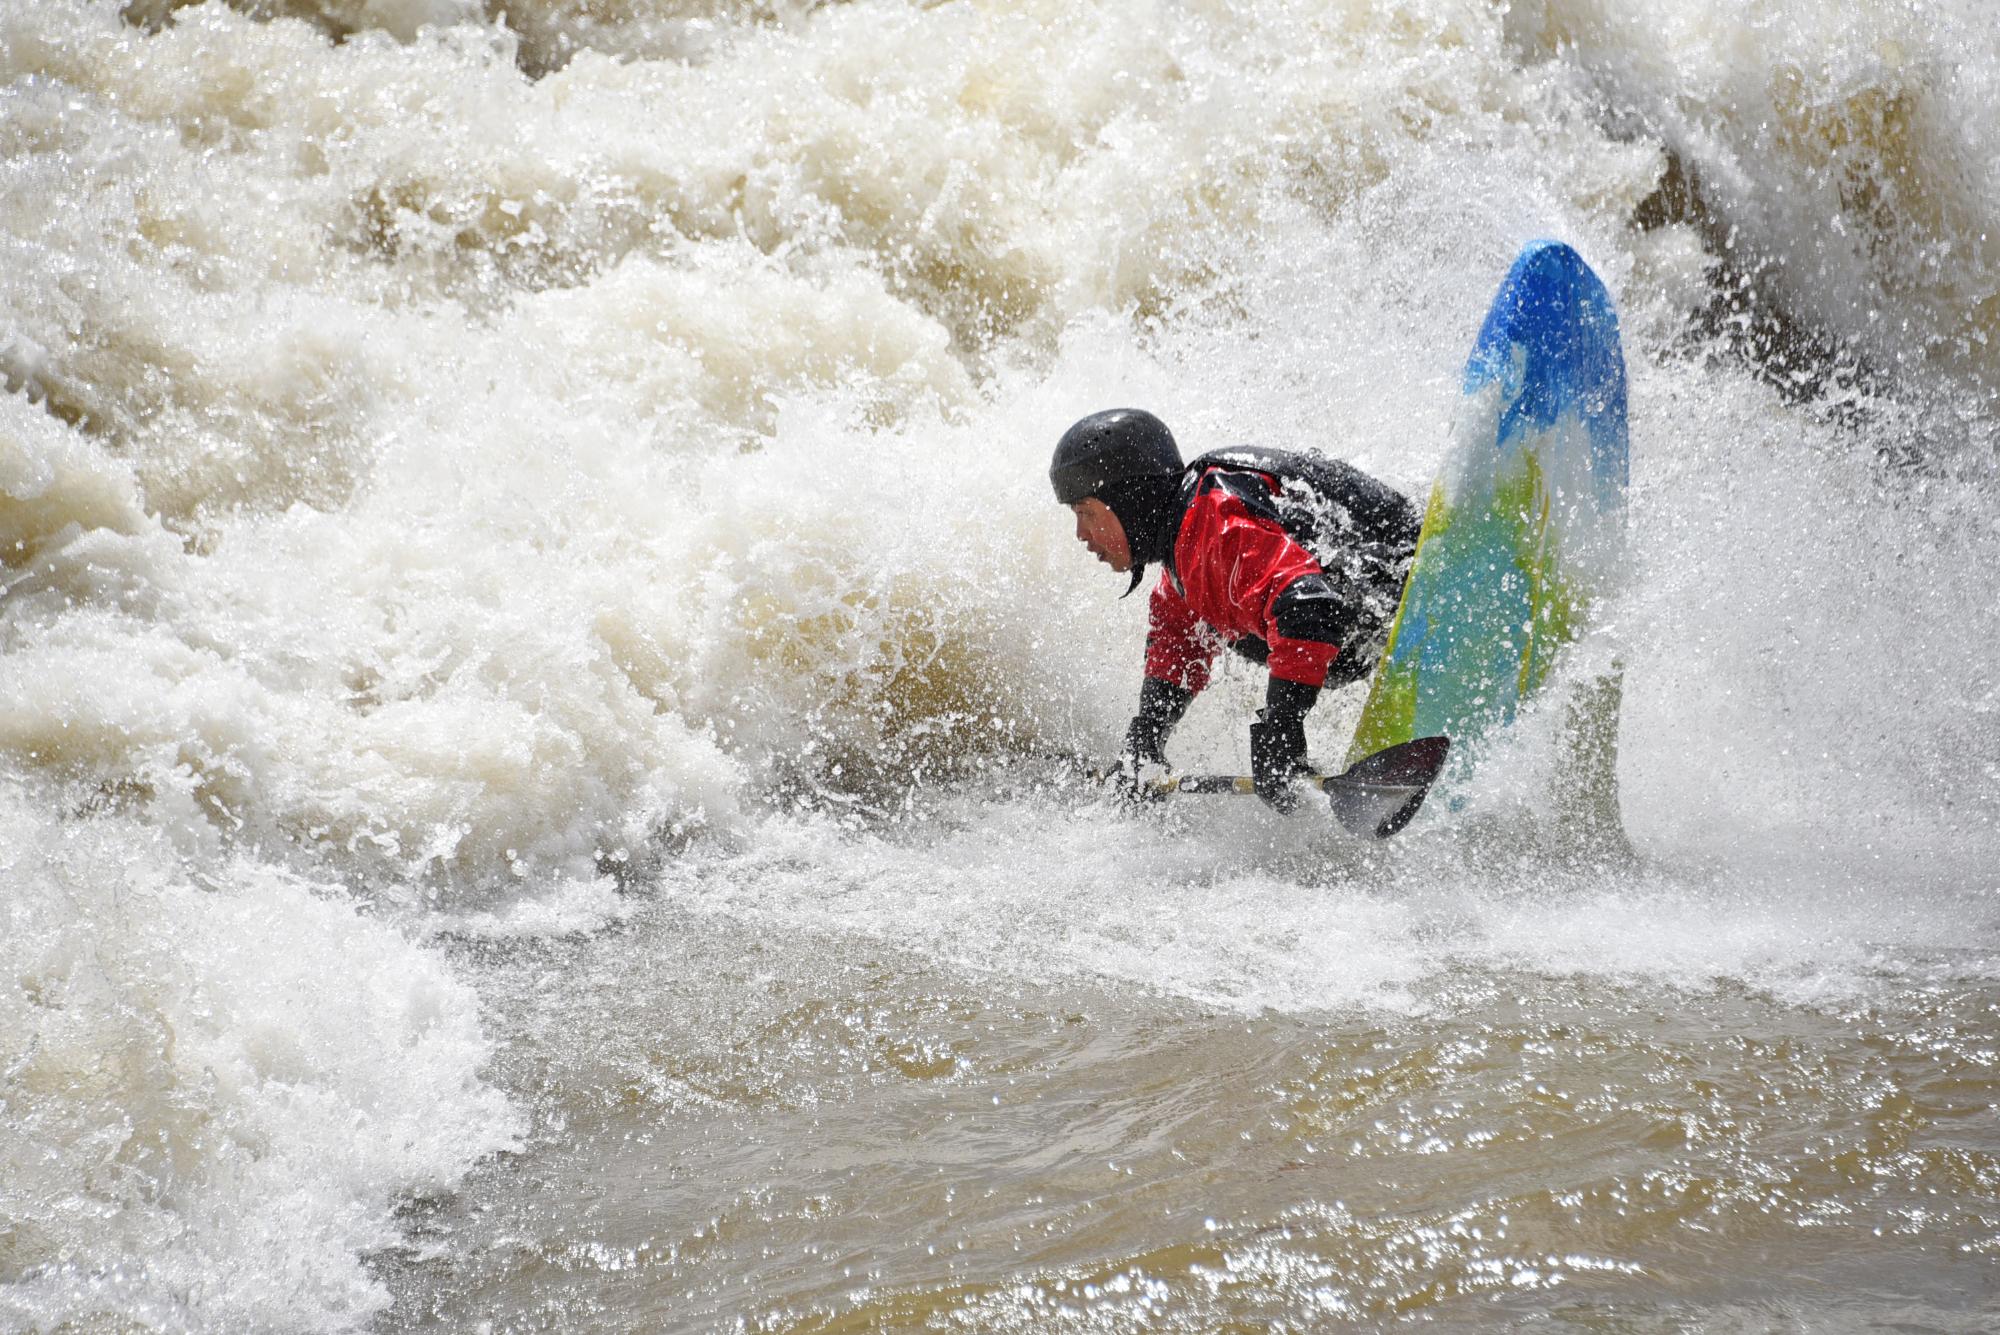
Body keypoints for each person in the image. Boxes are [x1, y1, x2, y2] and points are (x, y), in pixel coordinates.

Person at [1052, 408, 1421, 811]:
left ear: (1129, 498)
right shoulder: (1185, 551)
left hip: (1405, 568)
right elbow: (1178, 647)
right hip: (1376, 616)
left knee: (1305, 616)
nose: (1081, 535)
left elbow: (1308, 608)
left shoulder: (1216, 519)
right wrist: (1145, 740)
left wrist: (1280, 733)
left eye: (1085, 512)